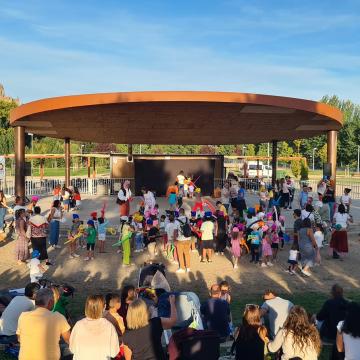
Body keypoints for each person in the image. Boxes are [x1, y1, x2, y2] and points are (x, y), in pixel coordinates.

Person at [17, 288, 71, 360]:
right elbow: (69, 340)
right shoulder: (58, 317)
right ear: (50, 302)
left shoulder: (23, 316)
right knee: (67, 349)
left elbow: (19, 339)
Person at [123, 296, 177, 360]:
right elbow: (173, 321)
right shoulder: (155, 323)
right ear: (145, 312)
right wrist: (172, 303)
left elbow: (128, 358)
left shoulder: (127, 336)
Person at [70, 294, 119, 360]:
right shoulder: (109, 327)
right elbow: (114, 352)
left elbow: (72, 348)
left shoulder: (78, 325)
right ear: (104, 307)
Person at [175, 208, 192, 273]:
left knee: (180, 254)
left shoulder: (176, 221)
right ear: (184, 212)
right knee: (187, 253)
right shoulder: (187, 219)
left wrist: (175, 239)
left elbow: (176, 231)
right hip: (188, 238)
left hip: (180, 239)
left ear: (179, 213)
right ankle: (188, 268)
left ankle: (182, 268)